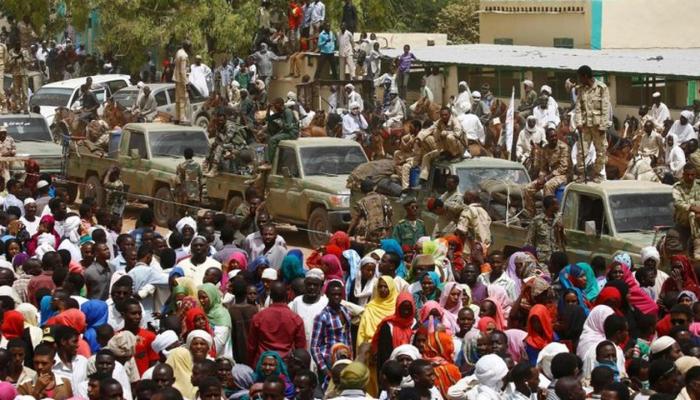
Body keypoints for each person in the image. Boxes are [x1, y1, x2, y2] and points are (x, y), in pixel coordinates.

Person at [248, 281, 306, 365]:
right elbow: (301, 347)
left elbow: (251, 346)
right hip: (285, 365)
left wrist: (251, 364)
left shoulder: (258, 317)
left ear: (270, 296)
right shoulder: (296, 319)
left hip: (263, 365)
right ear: (286, 296)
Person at [574, 65, 611, 182]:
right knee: (581, 151)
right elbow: (578, 107)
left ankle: (597, 173)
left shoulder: (601, 88)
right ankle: (582, 174)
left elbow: (605, 108)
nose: (579, 80)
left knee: (601, 152)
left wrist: (603, 126)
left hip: (598, 126)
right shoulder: (581, 89)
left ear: (585, 76)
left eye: (580, 77)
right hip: (585, 126)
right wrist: (578, 123)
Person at [310, 280, 353, 377]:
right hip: (329, 362)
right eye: (333, 294)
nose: (336, 297)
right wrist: (324, 369)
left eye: (339, 294)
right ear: (327, 295)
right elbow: (314, 347)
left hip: (345, 360)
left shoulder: (345, 311)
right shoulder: (322, 316)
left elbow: (348, 338)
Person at [348, 179, 393, 244]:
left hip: (370, 235)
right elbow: (390, 213)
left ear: (362, 191)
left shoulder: (361, 203)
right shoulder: (383, 198)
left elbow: (355, 219)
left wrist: (348, 232)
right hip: (384, 232)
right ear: (374, 188)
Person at [525, 196, 566, 264]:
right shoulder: (537, 220)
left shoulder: (558, 219)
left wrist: (561, 229)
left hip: (555, 259)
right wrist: (531, 258)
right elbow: (529, 241)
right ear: (550, 206)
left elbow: (564, 241)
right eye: (556, 204)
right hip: (542, 260)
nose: (558, 206)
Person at [672, 164, 700, 260]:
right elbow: (678, 203)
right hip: (683, 219)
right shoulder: (677, 187)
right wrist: (692, 208)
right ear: (683, 174)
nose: (690, 177)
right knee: (692, 214)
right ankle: (697, 245)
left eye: (692, 175)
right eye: (687, 175)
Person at [264, 97, 299, 166]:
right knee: (269, 140)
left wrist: (280, 123)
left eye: (275, 105)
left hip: (292, 133)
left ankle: (269, 162)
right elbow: (268, 119)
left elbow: (288, 127)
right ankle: (267, 160)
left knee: (272, 140)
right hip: (286, 131)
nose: (274, 107)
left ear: (280, 104)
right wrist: (268, 108)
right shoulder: (281, 112)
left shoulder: (287, 111)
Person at [174, 41, 191, 124]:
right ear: (187, 47)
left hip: (176, 79)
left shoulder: (178, 52)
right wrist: (186, 83)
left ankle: (177, 117)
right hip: (181, 80)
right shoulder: (184, 56)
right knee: (183, 98)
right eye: (190, 47)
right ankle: (182, 118)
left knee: (177, 99)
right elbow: (183, 71)